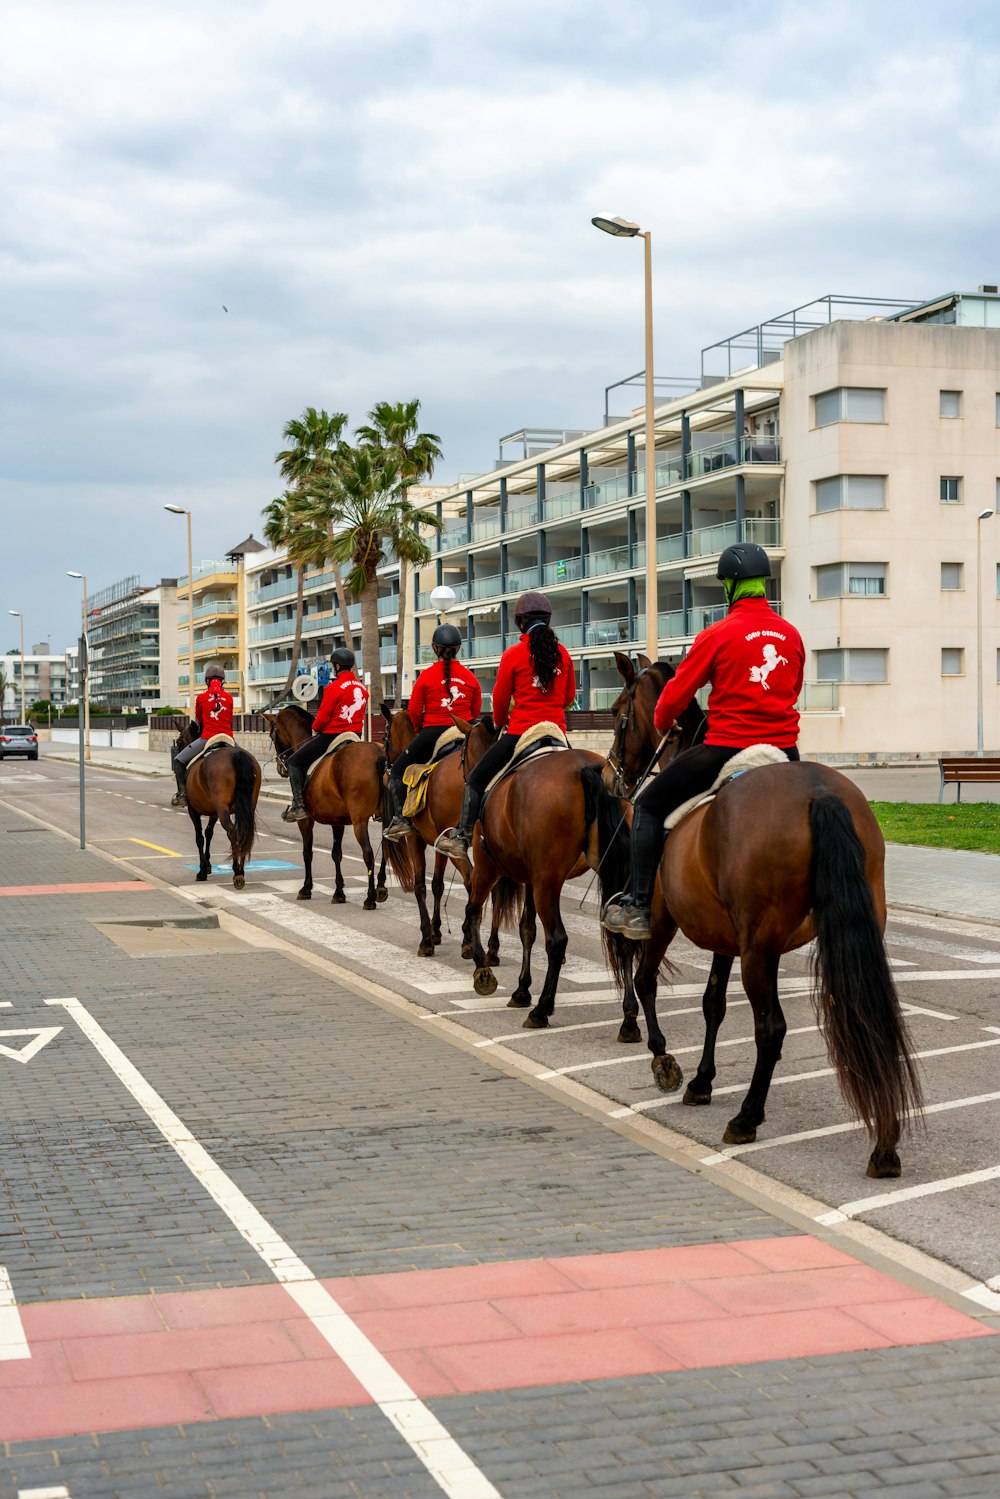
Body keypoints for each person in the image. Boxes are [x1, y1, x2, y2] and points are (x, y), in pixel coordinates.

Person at [601, 542, 805, 939]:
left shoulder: (717, 634)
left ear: (729, 586)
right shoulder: (791, 634)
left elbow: (675, 696)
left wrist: (662, 720)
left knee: (646, 805)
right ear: (762, 583)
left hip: (728, 747)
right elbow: (793, 687)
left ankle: (640, 904)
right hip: (785, 749)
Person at [436, 591, 576, 859]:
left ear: (520, 622)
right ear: (548, 620)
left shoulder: (514, 654)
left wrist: (501, 722)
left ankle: (462, 837)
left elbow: (500, 701)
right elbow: (569, 697)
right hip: (557, 732)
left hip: (521, 731)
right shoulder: (563, 654)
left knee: (476, 779)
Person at [383, 622, 482, 841]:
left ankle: (401, 820)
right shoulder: (470, 677)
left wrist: (420, 732)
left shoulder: (425, 677)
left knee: (397, 772)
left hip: (433, 733)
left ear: (435, 649)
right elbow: (475, 711)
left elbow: (414, 713)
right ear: (458, 649)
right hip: (464, 733)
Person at [282, 646, 369, 822]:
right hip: (355, 737)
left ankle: (298, 806)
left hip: (332, 737)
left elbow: (322, 719)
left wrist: (316, 727)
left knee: (294, 762)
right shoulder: (362, 688)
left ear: (337, 667)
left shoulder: (333, 687)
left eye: (333, 665)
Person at [171, 663, 235, 807]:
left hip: (208, 738)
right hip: (228, 738)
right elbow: (230, 719)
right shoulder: (229, 698)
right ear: (222, 681)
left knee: (179, 760)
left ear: (207, 681)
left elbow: (200, 720)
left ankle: (182, 794)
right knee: (248, 760)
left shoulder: (201, 698)